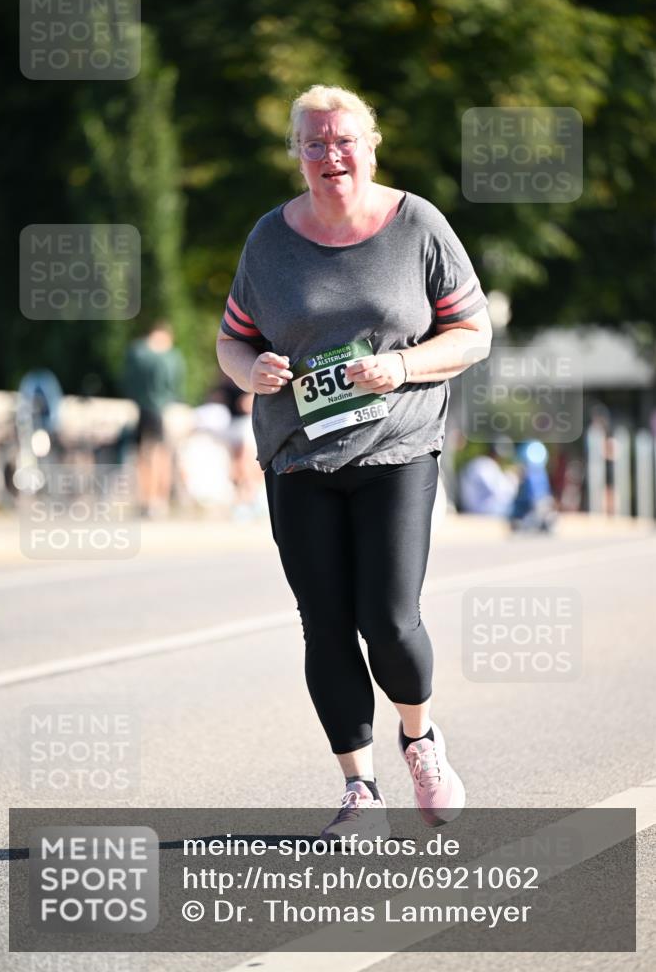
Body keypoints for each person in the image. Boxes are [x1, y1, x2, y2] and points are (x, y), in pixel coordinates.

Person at [216, 85, 492, 837]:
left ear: (370, 147)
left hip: (396, 445)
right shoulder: (269, 240)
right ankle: (359, 789)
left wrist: (401, 367)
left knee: (389, 620)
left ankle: (420, 738)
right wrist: (250, 372)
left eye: (343, 141)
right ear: (297, 155)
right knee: (325, 625)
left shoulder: (417, 226)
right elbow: (232, 339)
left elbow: (472, 333)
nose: (329, 155)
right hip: (298, 457)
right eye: (314, 143)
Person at [123, 319, 185, 518]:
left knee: (145, 455)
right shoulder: (169, 356)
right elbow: (174, 384)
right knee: (159, 455)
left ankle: (147, 500)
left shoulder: (137, 352)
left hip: (143, 409)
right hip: (161, 409)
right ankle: (158, 500)